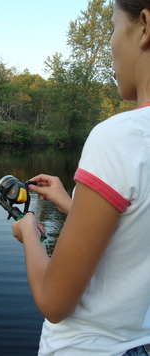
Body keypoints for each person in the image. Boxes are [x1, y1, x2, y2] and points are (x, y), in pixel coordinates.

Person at [11, 1, 150, 355]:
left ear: (144, 27)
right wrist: (72, 205)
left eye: (113, 28)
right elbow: (134, 240)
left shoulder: (119, 138)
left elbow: (53, 303)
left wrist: (28, 231)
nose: (111, 43)